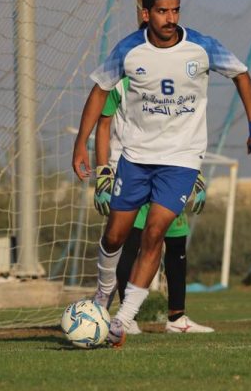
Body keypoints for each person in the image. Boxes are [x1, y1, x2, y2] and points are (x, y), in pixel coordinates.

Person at [72, 0, 251, 347]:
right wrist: (81, 144)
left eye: (175, 10)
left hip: (181, 160)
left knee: (155, 235)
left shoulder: (202, 46)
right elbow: (99, 90)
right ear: (146, 14)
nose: (171, 18)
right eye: (162, 11)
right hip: (135, 158)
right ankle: (102, 295)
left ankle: (122, 320)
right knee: (115, 236)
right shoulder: (129, 50)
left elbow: (241, 74)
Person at [93, 74, 214, 334]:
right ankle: (127, 317)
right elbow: (102, 124)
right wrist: (103, 172)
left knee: (176, 240)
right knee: (130, 242)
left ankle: (177, 318)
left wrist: (194, 170)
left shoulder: (170, 78)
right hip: (129, 170)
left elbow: (181, 128)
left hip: (170, 171)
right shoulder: (119, 82)